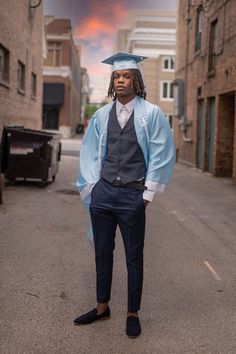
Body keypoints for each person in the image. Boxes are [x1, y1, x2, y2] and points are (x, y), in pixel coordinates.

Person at [74, 52, 175, 338]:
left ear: (136, 80)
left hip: (133, 195)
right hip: (103, 195)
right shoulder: (102, 115)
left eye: (126, 76)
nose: (120, 81)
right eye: (116, 76)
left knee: (134, 256)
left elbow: (160, 153)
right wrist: (93, 187)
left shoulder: (151, 114)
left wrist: (147, 194)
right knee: (103, 253)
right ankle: (102, 306)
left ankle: (132, 312)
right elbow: (90, 151)